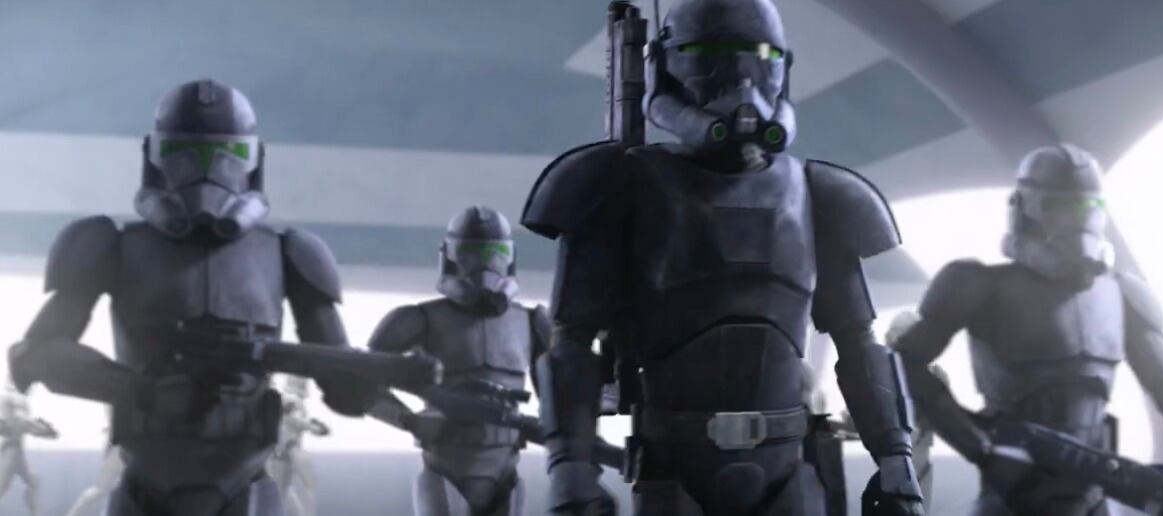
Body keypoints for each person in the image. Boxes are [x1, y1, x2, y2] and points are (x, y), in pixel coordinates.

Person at [521, 1, 925, 514]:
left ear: (782, 68)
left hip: (789, 465)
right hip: (674, 466)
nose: (740, 79)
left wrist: (896, 460)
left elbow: (859, 342)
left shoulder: (821, 193)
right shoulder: (620, 184)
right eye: (709, 55)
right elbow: (572, 346)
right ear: (665, 65)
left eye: (759, 56)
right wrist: (570, 470)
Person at [7, 78, 379, 516]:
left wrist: (373, 381)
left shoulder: (289, 254)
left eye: (228, 153)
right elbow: (33, 355)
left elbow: (348, 393)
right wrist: (140, 390)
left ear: (252, 159)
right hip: (145, 484)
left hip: (245, 485)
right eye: (184, 153)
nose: (207, 169)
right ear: (155, 155)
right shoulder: (108, 244)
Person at [892, 143, 1163, 515]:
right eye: (1061, 206)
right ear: (1026, 208)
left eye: (1089, 206)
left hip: (1091, 491)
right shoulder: (976, 283)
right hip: (1012, 494)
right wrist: (981, 448)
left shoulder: (1122, 293)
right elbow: (903, 363)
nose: (1079, 220)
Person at [369, 206, 603, 515]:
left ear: (510, 256)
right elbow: (357, 383)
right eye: (469, 252)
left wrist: (575, 455)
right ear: (449, 256)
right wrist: (409, 421)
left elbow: (564, 404)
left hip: (505, 472)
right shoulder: (416, 319)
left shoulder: (532, 323)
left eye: (496, 252)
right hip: (443, 467)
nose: (484, 263)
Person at [268, 376, 329, 516]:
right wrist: (314, 428)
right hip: (287, 450)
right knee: (302, 485)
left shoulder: (286, 399)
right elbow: (295, 419)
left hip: (280, 452)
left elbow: (291, 418)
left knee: (283, 490)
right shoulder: (293, 400)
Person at [0, 383, 56, 516]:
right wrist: (43, 430)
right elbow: (22, 421)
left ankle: (36, 513)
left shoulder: (8, 398)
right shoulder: (15, 398)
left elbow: (20, 423)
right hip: (11, 450)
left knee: (34, 482)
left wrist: (41, 430)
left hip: (15, 450)